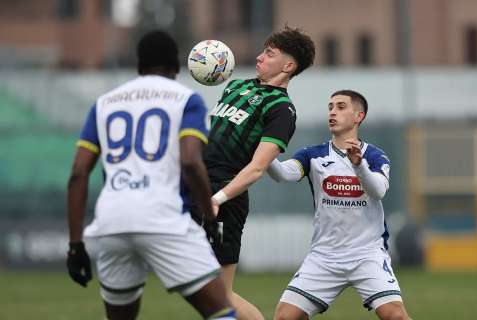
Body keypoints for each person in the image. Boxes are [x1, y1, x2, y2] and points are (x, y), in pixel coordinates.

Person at [66, 30, 236, 320]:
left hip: (112, 222)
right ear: (178, 66)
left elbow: (79, 173)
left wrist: (75, 245)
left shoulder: (105, 103)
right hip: (163, 217)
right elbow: (191, 162)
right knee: (220, 312)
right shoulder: (186, 100)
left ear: (138, 65)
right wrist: (208, 216)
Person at [189, 26, 315, 320]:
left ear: (288, 66)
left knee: (218, 293)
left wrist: (218, 198)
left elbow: (258, 167)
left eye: (268, 54)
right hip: (197, 189)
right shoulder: (236, 86)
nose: (258, 57)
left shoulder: (282, 110)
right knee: (200, 286)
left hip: (223, 197)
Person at [268, 90, 411, 320]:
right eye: (330, 107)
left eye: (341, 106)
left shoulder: (375, 156)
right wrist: (264, 153)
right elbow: (285, 174)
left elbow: (378, 190)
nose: (333, 112)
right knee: (285, 316)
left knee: (395, 315)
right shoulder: (312, 155)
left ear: (358, 116)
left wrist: (359, 165)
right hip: (324, 256)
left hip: (367, 254)